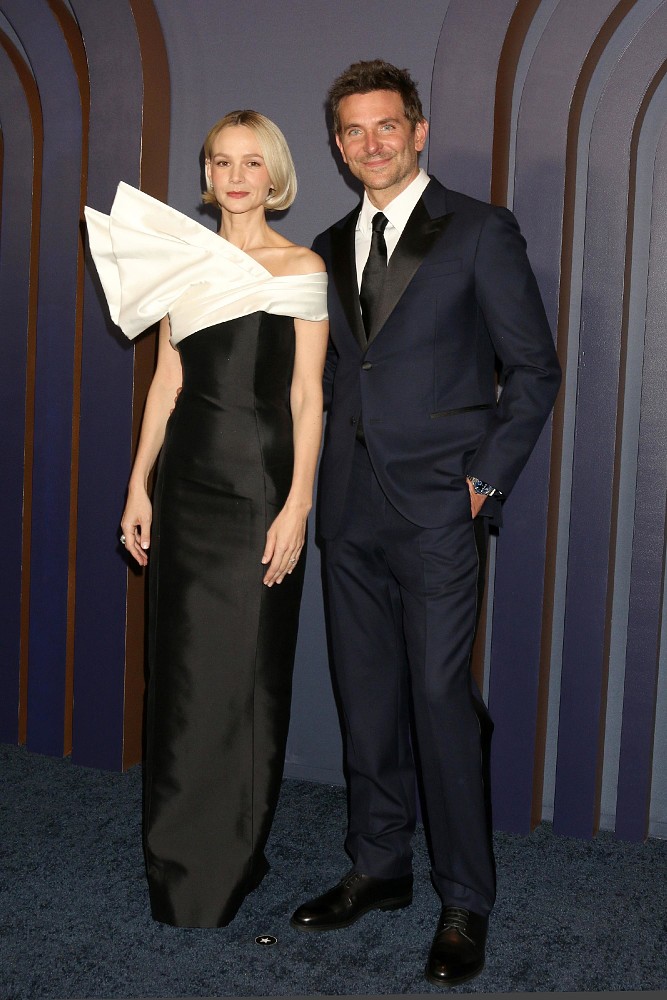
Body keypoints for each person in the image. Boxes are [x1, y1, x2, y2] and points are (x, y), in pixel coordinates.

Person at [290, 61, 561, 986]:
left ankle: (463, 898)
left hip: (442, 507)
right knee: (365, 695)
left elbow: (533, 370)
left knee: (441, 701)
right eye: (352, 131)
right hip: (349, 506)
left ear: (417, 130)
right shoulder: (328, 244)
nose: (370, 144)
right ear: (338, 146)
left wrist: (484, 481)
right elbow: (332, 376)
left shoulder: (479, 229)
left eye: (385, 126)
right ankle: (379, 865)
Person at [85, 111, 328, 928]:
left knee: (246, 674)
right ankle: (176, 859)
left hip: (260, 488)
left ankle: (233, 856)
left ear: (274, 176)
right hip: (187, 486)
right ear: (208, 174)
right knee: (183, 673)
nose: (235, 177)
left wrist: (298, 503)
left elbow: (307, 397)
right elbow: (167, 383)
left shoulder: (301, 266)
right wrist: (138, 485)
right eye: (221, 162)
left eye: (251, 163)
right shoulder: (181, 261)